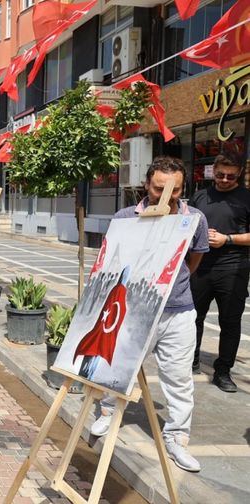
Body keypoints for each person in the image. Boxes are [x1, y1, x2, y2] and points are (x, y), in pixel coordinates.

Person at [91, 156, 208, 473]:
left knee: (179, 379)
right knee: (115, 366)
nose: (167, 196)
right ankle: (106, 412)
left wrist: (174, 284)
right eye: (159, 189)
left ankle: (177, 438)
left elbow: (194, 259)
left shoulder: (194, 218)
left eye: (175, 190)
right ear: (146, 185)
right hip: (133, 310)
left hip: (178, 312)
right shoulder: (127, 217)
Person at [189, 154, 250, 393]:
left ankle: (223, 372)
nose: (224, 180)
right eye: (220, 174)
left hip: (233, 268)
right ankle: (190, 361)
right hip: (200, 266)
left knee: (230, 322)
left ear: (240, 173)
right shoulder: (200, 196)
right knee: (192, 318)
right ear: (213, 171)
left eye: (231, 176)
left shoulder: (246, 198)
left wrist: (228, 239)